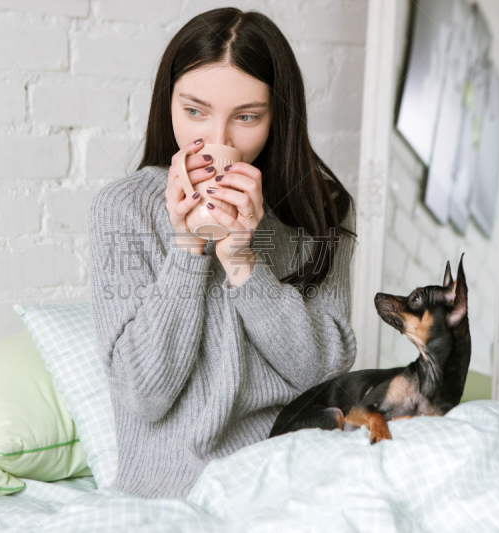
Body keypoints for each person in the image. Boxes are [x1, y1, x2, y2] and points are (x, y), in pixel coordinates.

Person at [88, 7, 358, 499]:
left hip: (303, 470)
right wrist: (189, 247)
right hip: (178, 489)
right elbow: (143, 394)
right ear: (166, 103)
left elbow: (324, 378)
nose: (217, 141)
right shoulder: (123, 209)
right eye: (194, 112)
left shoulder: (322, 210)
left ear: (278, 117)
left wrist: (242, 260)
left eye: (247, 117)